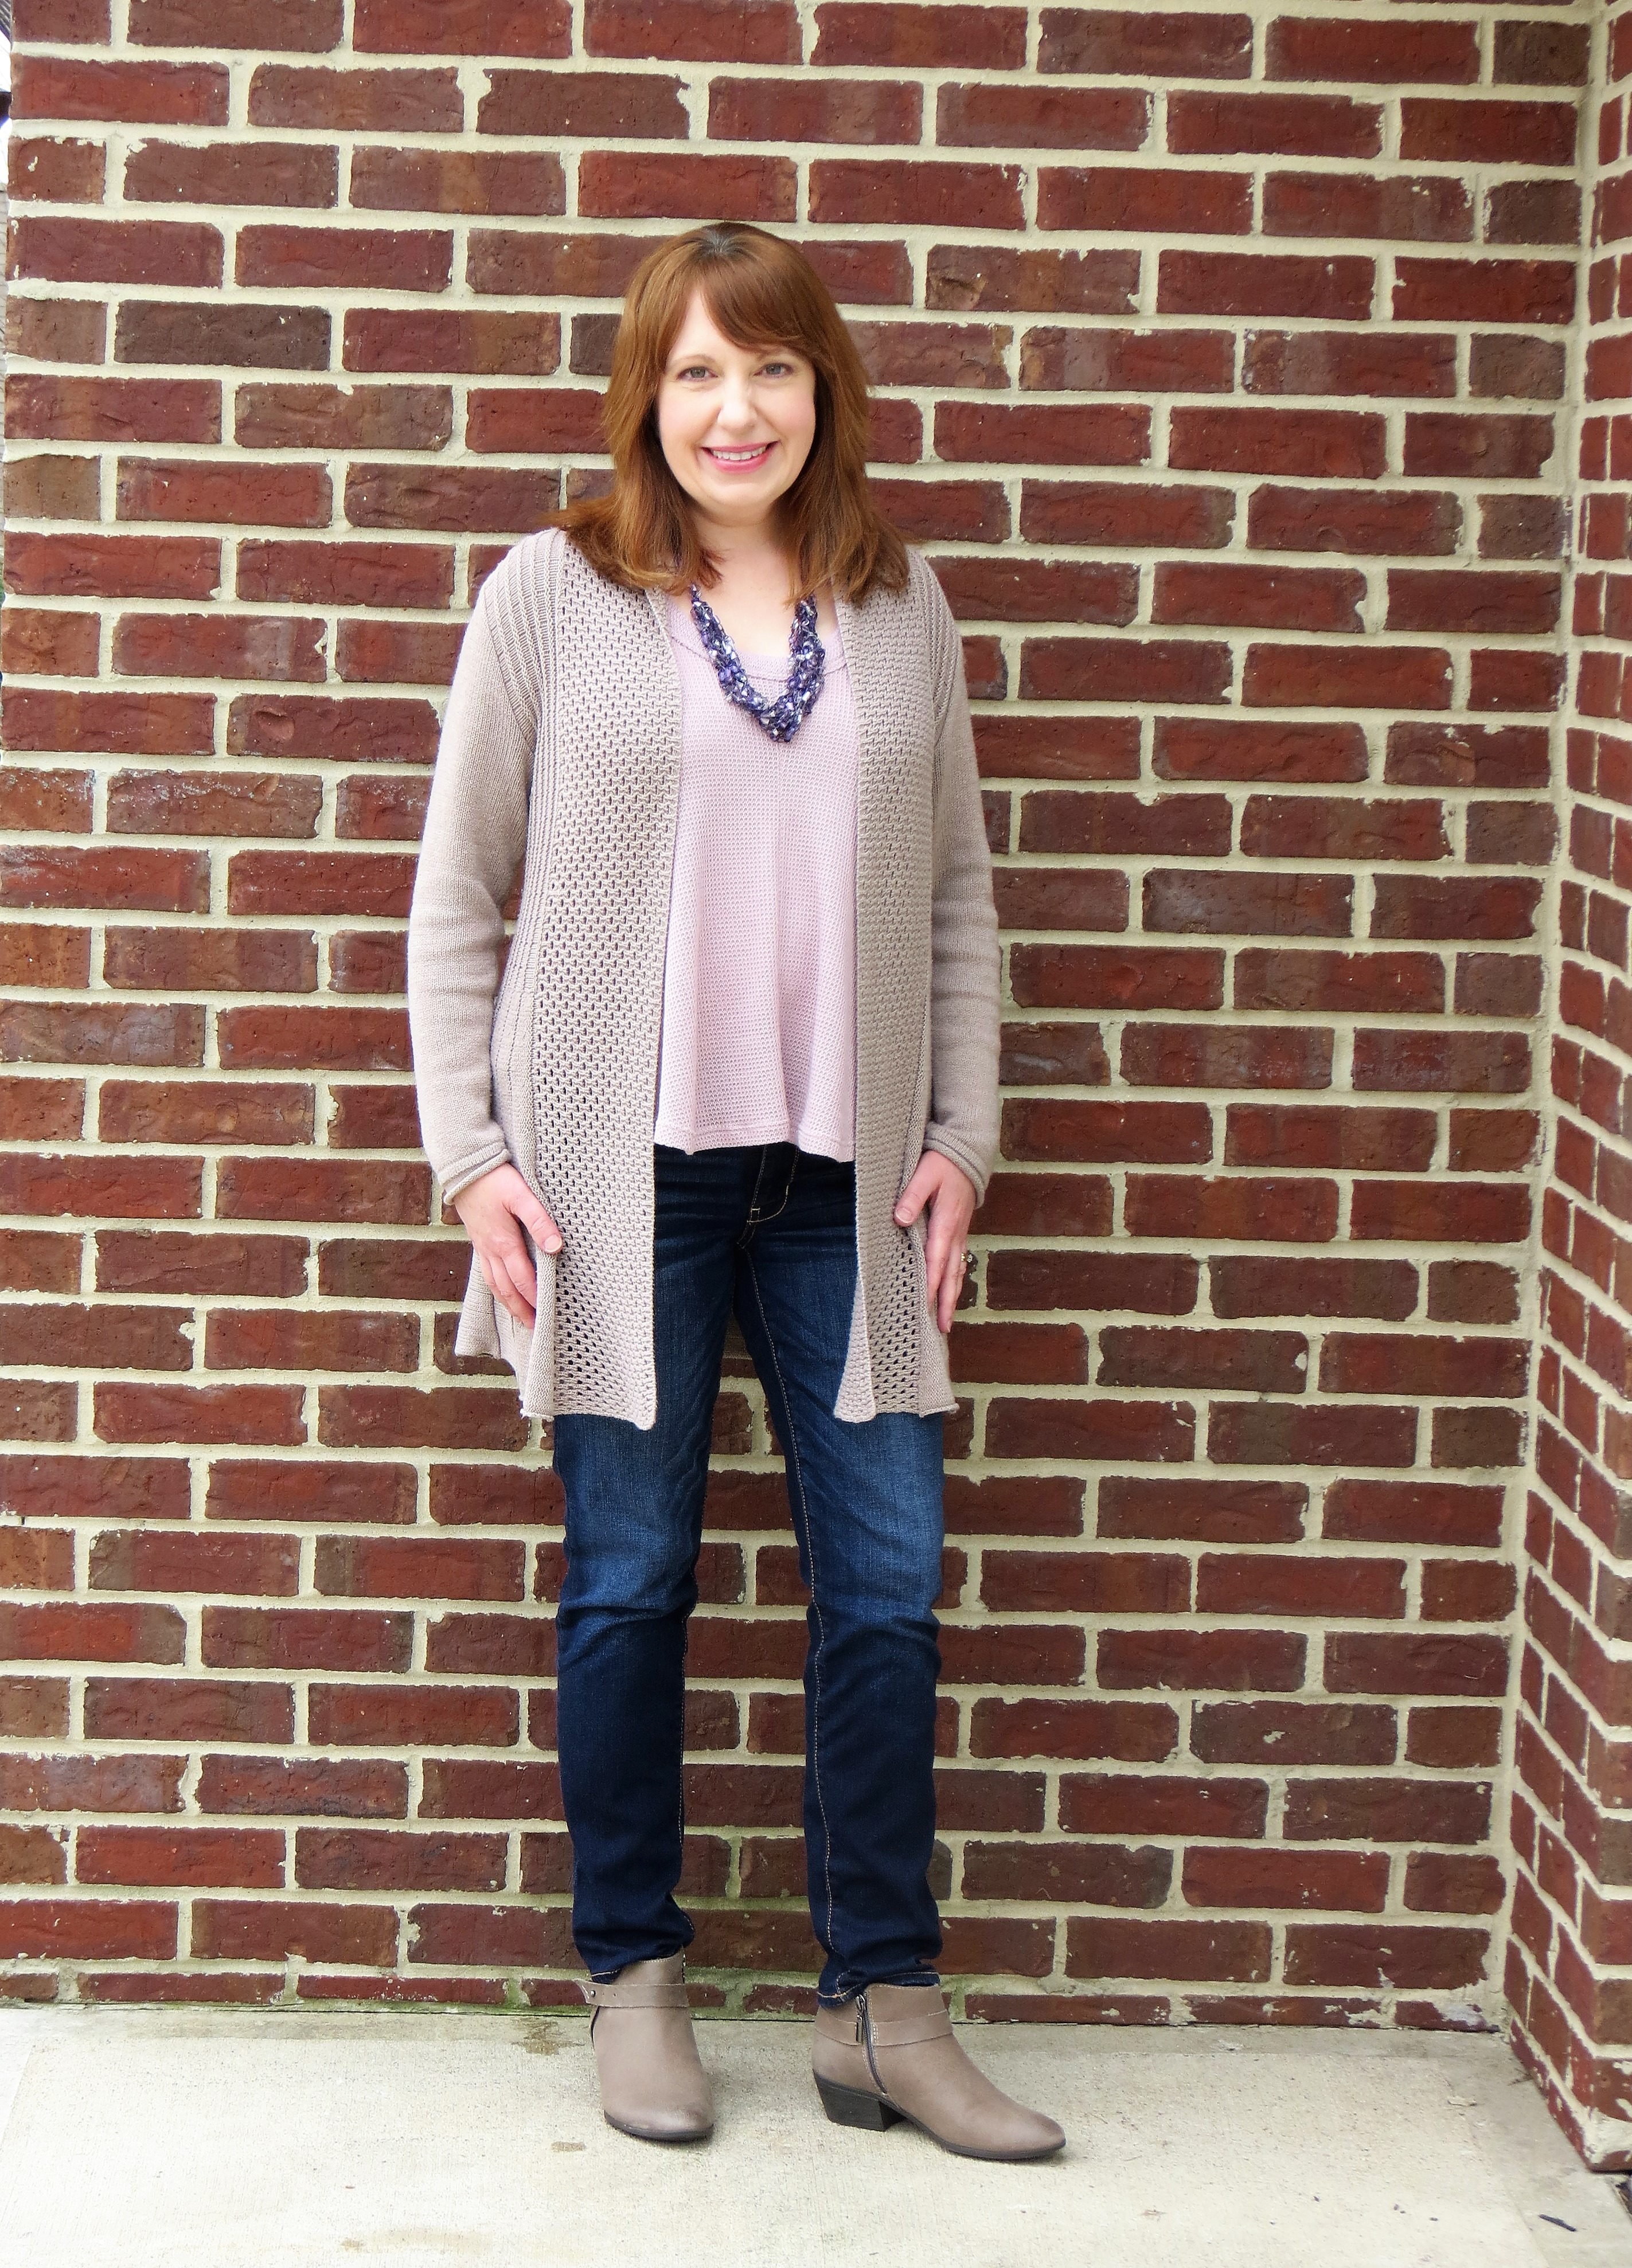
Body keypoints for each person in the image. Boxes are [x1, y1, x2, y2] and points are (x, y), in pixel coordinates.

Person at [407, 220, 1063, 2163]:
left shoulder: (899, 602)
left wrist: (963, 1135)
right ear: (647, 398)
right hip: (626, 1188)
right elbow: (459, 893)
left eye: (769, 367)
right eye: (695, 371)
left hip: (849, 1182)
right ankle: (636, 1978)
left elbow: (955, 894)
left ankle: (885, 2004)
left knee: (886, 1589)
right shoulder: (553, 592)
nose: (735, 407)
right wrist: (476, 1160)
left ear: (821, 391)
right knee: (629, 1579)